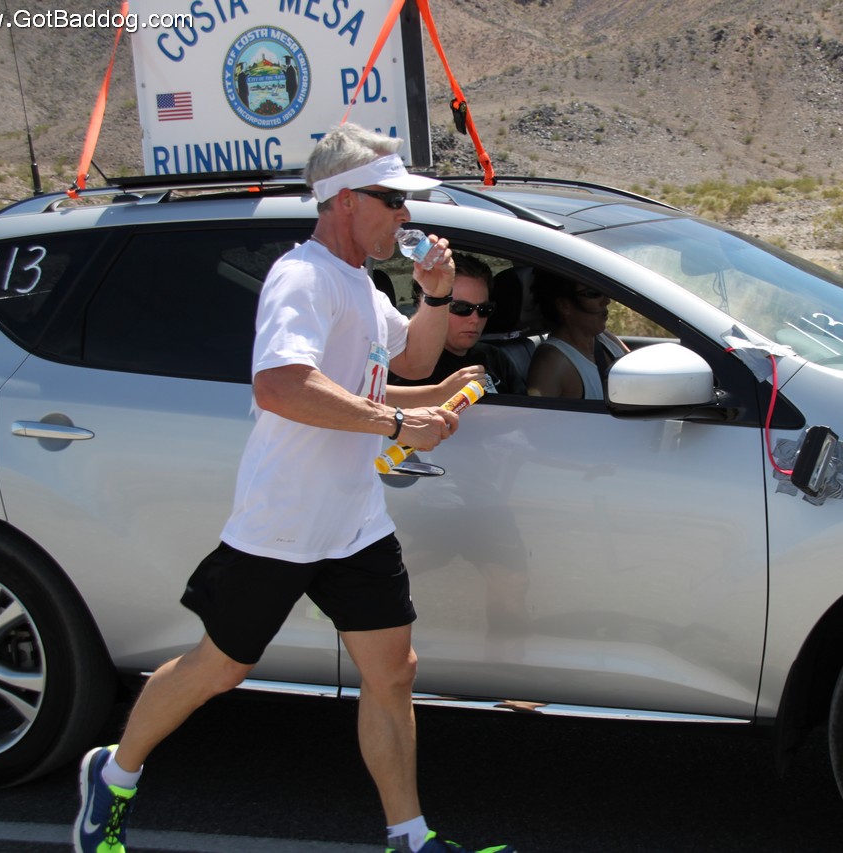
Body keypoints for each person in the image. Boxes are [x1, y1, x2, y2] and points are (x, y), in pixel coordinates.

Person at [73, 124, 514, 853]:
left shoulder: (360, 284)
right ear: (345, 200)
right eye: (393, 201)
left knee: (392, 672)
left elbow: (407, 362)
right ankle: (114, 773)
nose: (405, 216)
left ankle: (409, 837)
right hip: (283, 522)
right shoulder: (302, 277)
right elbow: (281, 385)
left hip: (355, 522)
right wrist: (396, 424)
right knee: (221, 666)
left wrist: (436, 300)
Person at [390, 253, 526, 395]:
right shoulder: (406, 369)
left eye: (484, 309)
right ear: (426, 304)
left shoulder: (495, 358)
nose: (475, 319)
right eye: (461, 308)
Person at [526, 272, 628, 399]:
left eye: (604, 291)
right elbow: (536, 411)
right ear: (564, 305)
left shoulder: (604, 338)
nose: (607, 301)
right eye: (593, 293)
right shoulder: (552, 362)